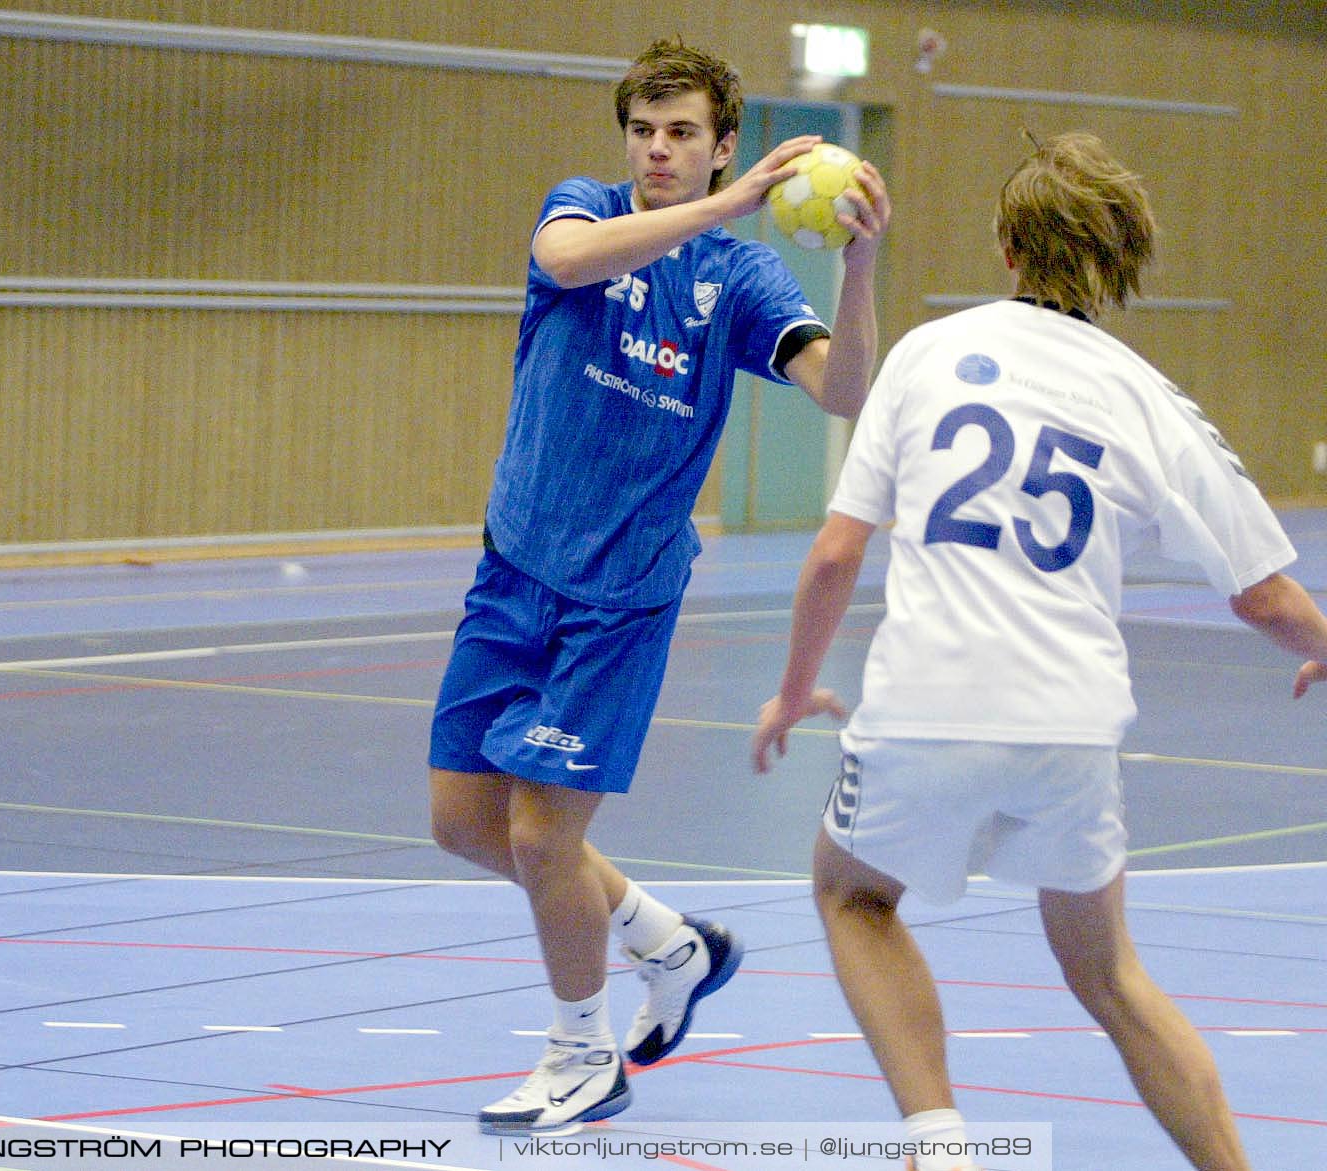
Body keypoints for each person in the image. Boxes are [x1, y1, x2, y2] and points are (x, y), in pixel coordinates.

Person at [752, 130, 1327, 1171]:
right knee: (1111, 979)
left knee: (852, 893)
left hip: (926, 704)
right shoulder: (1149, 399)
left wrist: (793, 690)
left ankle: (942, 1147)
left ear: (1008, 251)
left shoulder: (926, 354)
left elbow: (836, 552)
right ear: (1120, 268)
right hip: (1072, 723)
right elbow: (1264, 593)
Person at [428, 38, 889, 1136]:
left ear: (723, 142)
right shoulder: (584, 210)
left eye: (683, 133)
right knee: (462, 823)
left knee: (544, 838)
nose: (659, 150)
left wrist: (861, 267)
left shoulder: (739, 279)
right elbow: (571, 259)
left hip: (619, 599)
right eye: (645, 130)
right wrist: (729, 202)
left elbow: (845, 394)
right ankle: (667, 943)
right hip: (514, 568)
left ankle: (584, 1055)